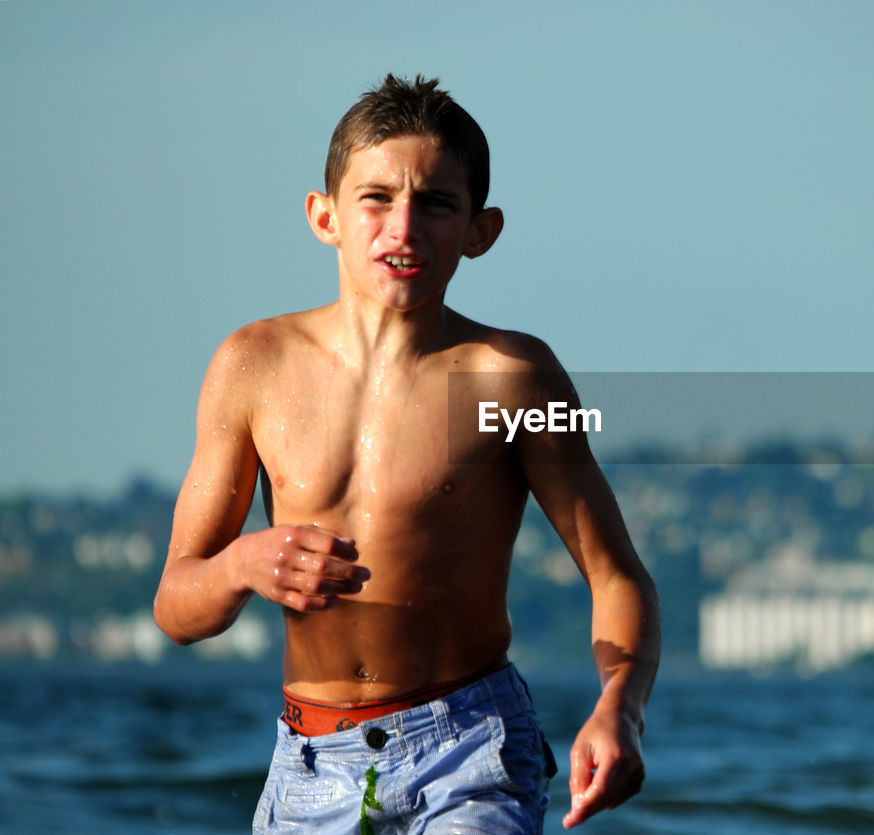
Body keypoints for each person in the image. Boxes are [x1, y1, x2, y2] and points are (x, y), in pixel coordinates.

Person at [153, 74, 660, 833]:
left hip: (470, 752)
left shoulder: (512, 376)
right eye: (377, 197)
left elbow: (618, 576)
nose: (404, 226)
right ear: (324, 216)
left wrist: (620, 709)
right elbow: (176, 606)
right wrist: (241, 564)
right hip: (309, 765)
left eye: (436, 204)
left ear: (480, 231)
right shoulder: (251, 364)